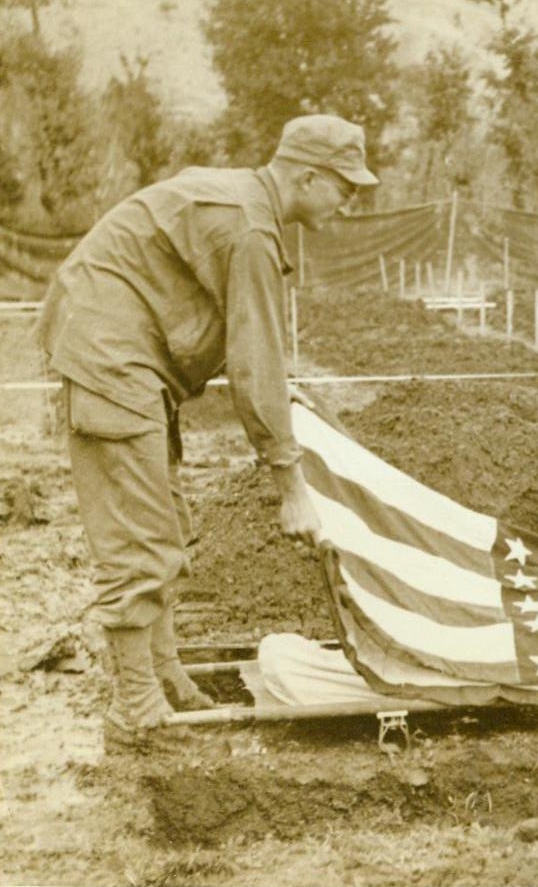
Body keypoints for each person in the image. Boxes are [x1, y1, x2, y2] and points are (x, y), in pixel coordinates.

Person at [37, 114, 378, 748]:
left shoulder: (248, 204)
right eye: (344, 185)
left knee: (164, 516)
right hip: (111, 354)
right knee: (138, 533)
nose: (350, 200)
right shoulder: (250, 227)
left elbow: (254, 353)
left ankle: (165, 677)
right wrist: (291, 486)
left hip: (129, 351)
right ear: (306, 176)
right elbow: (254, 362)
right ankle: (136, 710)